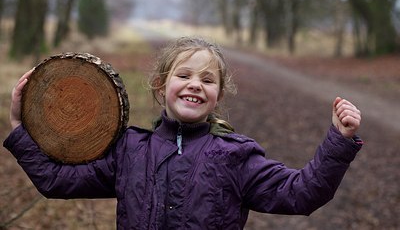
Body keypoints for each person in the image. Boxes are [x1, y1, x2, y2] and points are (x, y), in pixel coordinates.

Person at [4, 37, 363, 229]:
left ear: (218, 95)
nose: (195, 85)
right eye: (184, 76)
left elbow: (300, 194)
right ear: (161, 86)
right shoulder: (129, 151)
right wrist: (20, 129)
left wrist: (338, 140)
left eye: (207, 80)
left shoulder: (235, 157)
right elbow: (56, 181)